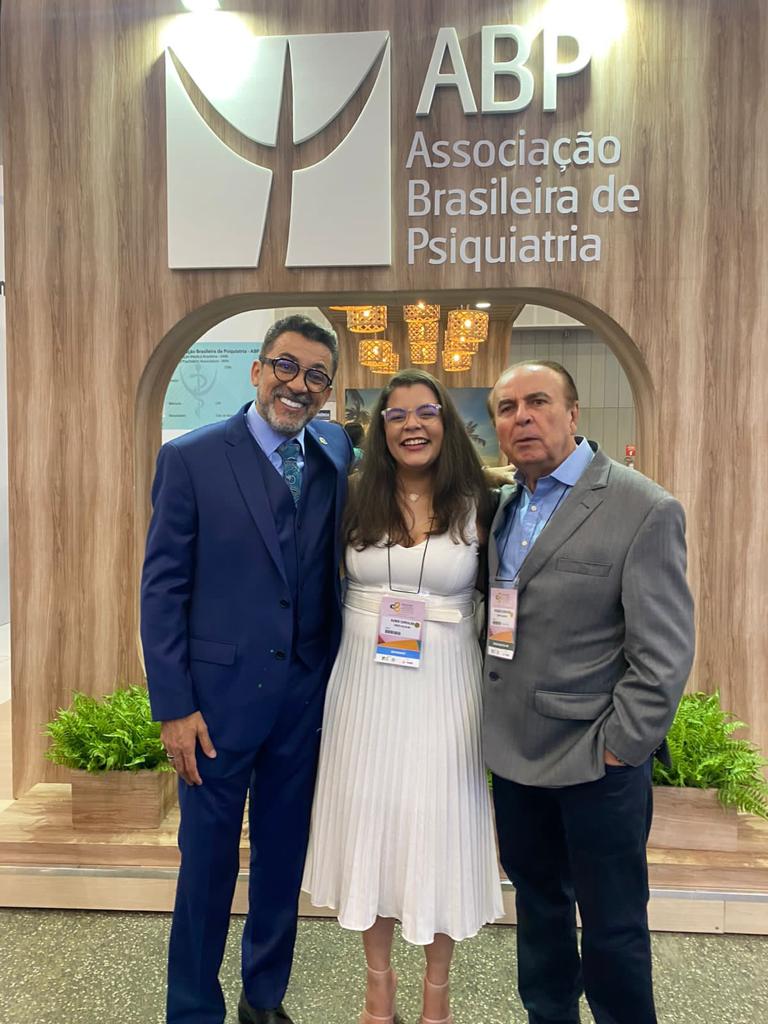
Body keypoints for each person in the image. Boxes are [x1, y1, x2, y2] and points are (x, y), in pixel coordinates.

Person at [140, 315, 352, 1024]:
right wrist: (174, 706)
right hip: (214, 706)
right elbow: (162, 589)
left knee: (282, 857)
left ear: (327, 390)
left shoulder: (333, 449)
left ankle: (264, 999)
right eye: (286, 366)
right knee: (206, 865)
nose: (299, 385)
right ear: (257, 370)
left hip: (303, 698)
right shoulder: (192, 459)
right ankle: (193, 1009)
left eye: (316, 375)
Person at [483, 360, 695, 1024]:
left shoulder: (642, 507)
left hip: (596, 762)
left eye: (538, 402)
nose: (522, 417)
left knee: (613, 926)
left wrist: (620, 748)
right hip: (516, 758)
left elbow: (663, 653)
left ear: (573, 414)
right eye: (507, 408)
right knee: (540, 912)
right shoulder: (506, 505)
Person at [304, 368, 504, 1024]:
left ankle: (437, 993)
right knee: (374, 826)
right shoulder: (352, 497)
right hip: (363, 687)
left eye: (425, 412)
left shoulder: (484, 503)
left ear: (447, 423)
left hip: (447, 688)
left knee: (438, 826)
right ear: (379, 428)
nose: (411, 425)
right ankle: (377, 986)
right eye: (396, 415)